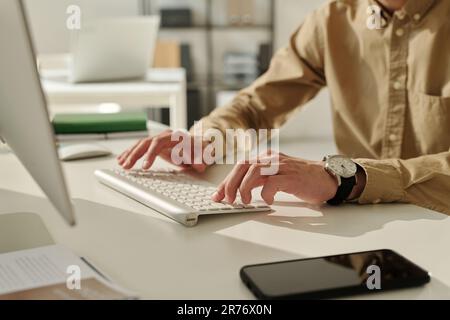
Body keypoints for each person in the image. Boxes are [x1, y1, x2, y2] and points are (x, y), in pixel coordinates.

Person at [117, 0, 450, 215]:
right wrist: (208, 138)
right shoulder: (332, 20)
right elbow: (255, 106)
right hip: (358, 223)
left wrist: (349, 178)